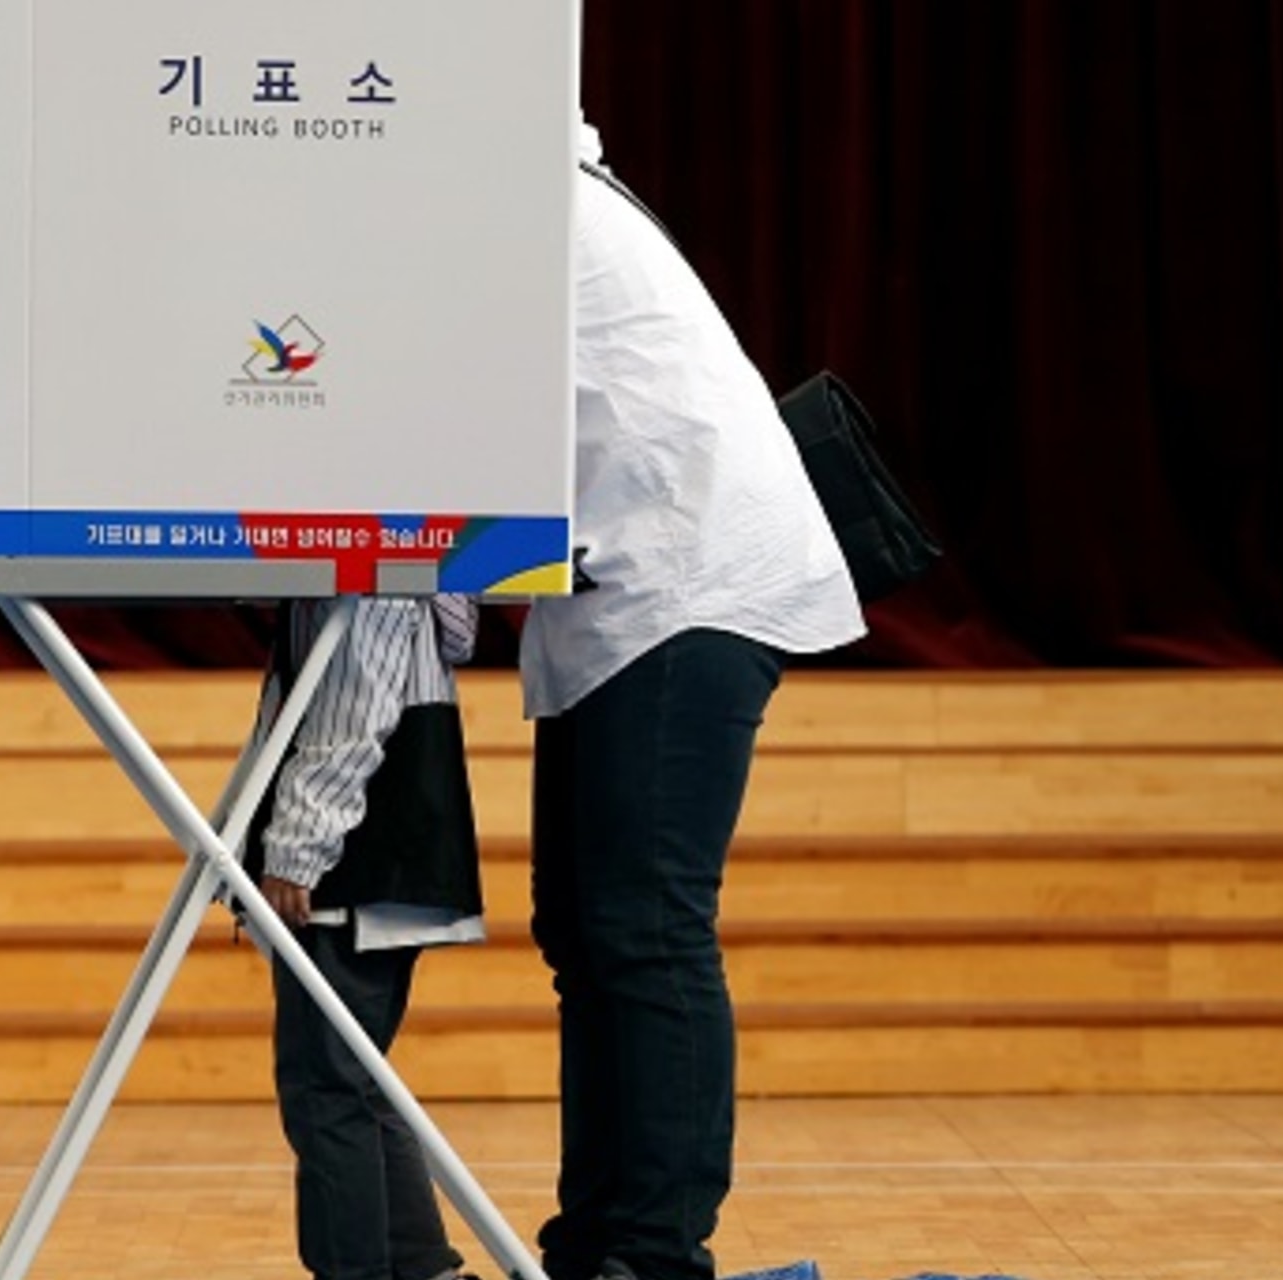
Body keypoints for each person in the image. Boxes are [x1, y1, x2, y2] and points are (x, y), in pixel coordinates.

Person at [517, 118, 868, 1280]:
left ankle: (656, 1249)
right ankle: (600, 1238)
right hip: (628, 585)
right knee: (586, 928)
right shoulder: (536, 186)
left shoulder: (520, 195)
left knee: (644, 922)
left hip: (684, 577)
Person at [242, 593, 486, 1280]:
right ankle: (423, 1267)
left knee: (326, 1090)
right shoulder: (407, 571)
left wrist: (298, 844)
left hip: (356, 858)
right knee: (354, 1077)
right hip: (387, 848)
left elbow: (354, 712)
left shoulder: (371, 567)